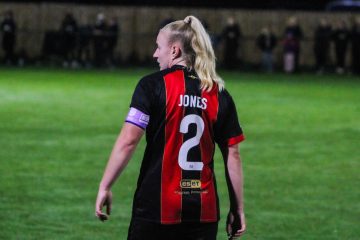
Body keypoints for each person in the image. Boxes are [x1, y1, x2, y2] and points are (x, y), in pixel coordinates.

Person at [95, 15, 246, 240]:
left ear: (174, 51)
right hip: (203, 211)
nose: (155, 54)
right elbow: (232, 155)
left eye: (158, 47)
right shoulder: (218, 93)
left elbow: (129, 141)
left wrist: (105, 186)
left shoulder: (151, 85)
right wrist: (238, 209)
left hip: (156, 206)